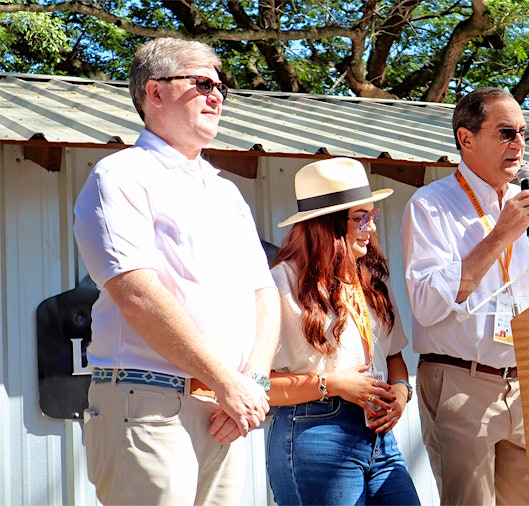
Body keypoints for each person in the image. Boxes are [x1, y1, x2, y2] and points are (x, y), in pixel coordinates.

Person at [73, 38, 279, 504]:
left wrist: (253, 384)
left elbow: (263, 294)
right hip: (148, 405)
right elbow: (137, 294)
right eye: (203, 83)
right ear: (155, 92)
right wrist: (229, 383)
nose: (217, 95)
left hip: (224, 409)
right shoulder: (120, 175)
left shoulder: (226, 192)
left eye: (221, 86)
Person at [401, 87, 529, 504]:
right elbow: (426, 304)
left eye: (524, 133)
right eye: (506, 133)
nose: (519, 144)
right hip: (462, 379)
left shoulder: (528, 206)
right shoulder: (430, 206)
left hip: (525, 381)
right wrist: (499, 236)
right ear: (466, 138)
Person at [265, 158, 420, 505]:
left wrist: (400, 392)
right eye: (360, 218)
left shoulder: (372, 280)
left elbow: (394, 355)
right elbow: (258, 383)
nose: (372, 228)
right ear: (327, 224)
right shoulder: (279, 284)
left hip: (379, 437)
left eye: (373, 216)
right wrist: (331, 384)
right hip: (314, 432)